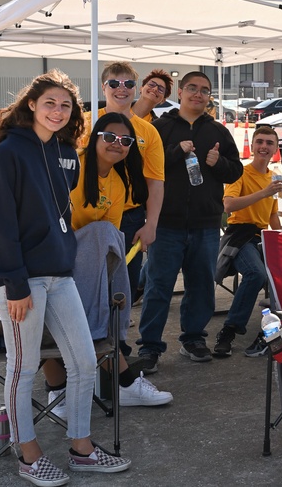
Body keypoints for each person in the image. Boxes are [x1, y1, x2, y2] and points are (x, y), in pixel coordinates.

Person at [0, 70, 131, 485]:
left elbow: (62, 209)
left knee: (83, 362)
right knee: (22, 370)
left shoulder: (63, 153)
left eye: (65, 105)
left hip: (60, 276)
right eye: (49, 103)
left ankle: (82, 449)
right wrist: (15, 284)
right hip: (22, 282)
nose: (57, 111)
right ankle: (29, 455)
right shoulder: (10, 152)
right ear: (31, 106)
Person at [43, 112, 172, 416]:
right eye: (110, 137)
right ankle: (61, 391)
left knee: (104, 295)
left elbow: (108, 244)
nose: (118, 144)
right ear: (94, 136)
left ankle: (121, 384)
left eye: (125, 140)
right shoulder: (70, 164)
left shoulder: (119, 183)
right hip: (47, 254)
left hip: (81, 263)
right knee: (50, 309)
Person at [136, 72, 243, 370]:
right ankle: (149, 347)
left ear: (209, 97)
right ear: (180, 92)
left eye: (204, 90)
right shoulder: (159, 128)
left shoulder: (219, 131)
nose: (198, 94)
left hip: (205, 224)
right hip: (166, 223)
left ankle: (193, 338)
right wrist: (174, 152)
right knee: (159, 286)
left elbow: (235, 172)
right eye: (192, 88)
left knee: (201, 286)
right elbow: (144, 168)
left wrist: (217, 163)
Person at [81, 62, 165, 306]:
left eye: (128, 84)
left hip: (129, 219)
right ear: (103, 87)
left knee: (121, 287)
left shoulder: (148, 132)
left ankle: (117, 340)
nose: (121, 89)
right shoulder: (85, 123)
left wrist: (151, 225)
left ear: (135, 88)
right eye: (114, 83)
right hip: (85, 215)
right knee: (86, 285)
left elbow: (155, 182)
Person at [215, 125, 282, 358]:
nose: (264, 147)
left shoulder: (273, 177)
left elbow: (273, 214)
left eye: (269, 143)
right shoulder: (240, 172)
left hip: (262, 237)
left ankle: (274, 331)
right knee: (257, 274)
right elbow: (228, 205)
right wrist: (264, 193)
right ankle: (229, 330)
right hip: (240, 235)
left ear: (276, 148)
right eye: (260, 142)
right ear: (253, 145)